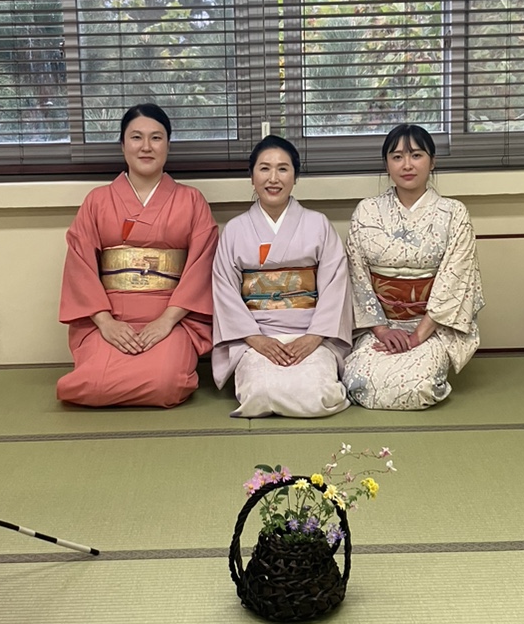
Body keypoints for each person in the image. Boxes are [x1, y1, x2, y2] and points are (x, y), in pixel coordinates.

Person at [57, 103, 218, 408]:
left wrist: (167, 321)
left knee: (166, 384)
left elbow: (202, 266)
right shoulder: (97, 201)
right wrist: (106, 322)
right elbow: (80, 267)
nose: (146, 147)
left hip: (172, 317)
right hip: (111, 317)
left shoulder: (191, 200)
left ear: (168, 145)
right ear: (122, 145)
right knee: (91, 384)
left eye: (156, 138)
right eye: (136, 137)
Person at [344, 124, 484, 410]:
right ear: (386, 164)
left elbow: (456, 280)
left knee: (418, 388)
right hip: (380, 325)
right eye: (397, 157)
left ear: (432, 162)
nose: (407, 165)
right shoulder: (367, 211)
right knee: (357, 382)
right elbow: (356, 276)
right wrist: (382, 330)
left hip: (432, 326)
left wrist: (418, 335)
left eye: (416, 155)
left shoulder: (453, 213)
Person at [211, 134, 352, 418]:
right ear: (252, 176)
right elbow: (224, 291)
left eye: (283, 169)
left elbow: (336, 286)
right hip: (255, 336)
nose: (273, 178)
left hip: (311, 333)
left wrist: (313, 337)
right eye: (264, 168)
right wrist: (256, 340)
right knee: (259, 393)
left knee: (320, 394)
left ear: (295, 176)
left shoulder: (318, 224)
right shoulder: (236, 230)